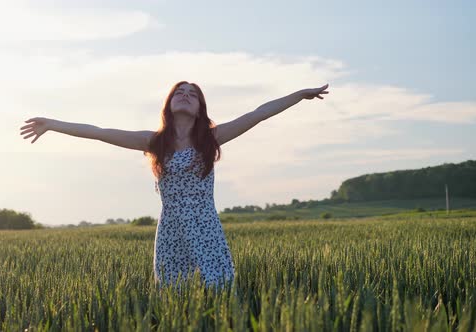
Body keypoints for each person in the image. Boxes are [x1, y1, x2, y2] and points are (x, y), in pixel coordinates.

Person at [19, 81, 329, 291]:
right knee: (173, 295)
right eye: (179, 91)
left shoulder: (211, 139)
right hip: (170, 229)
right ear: (169, 104)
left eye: (192, 94)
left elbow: (258, 114)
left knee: (217, 289)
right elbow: (99, 132)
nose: (185, 94)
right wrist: (53, 124)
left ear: (199, 109)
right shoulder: (155, 143)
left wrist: (299, 95)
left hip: (206, 226)